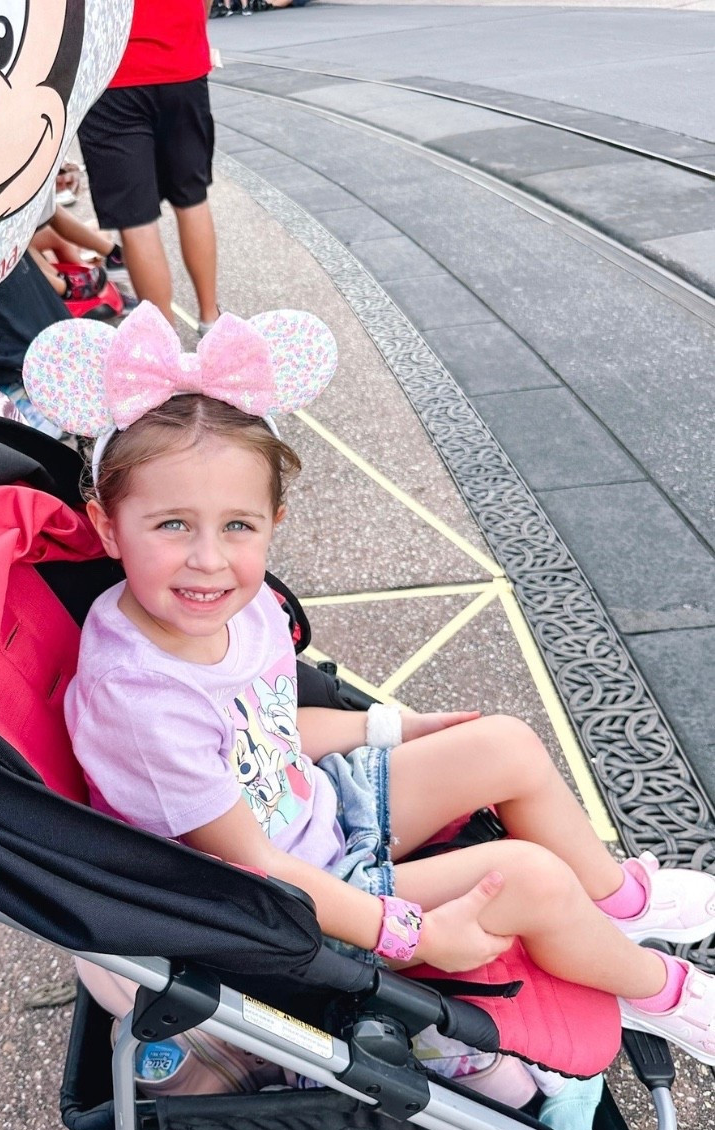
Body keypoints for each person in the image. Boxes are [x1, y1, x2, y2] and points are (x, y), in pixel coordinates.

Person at [56, 301, 715, 1067]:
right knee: (531, 878)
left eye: (238, 526)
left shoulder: (244, 606)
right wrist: (415, 932)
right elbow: (256, 871)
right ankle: (662, 992)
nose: (209, 558)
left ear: (274, 520)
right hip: (294, 910)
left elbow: (268, 728)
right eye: (173, 525)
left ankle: (614, 904)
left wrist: (398, 727)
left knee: (502, 742)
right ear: (106, 527)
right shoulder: (141, 701)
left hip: (317, 812)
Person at [76, 0, 220, 333]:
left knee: (136, 220)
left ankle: (163, 344)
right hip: (181, 58)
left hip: (110, 73)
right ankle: (211, 319)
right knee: (192, 199)